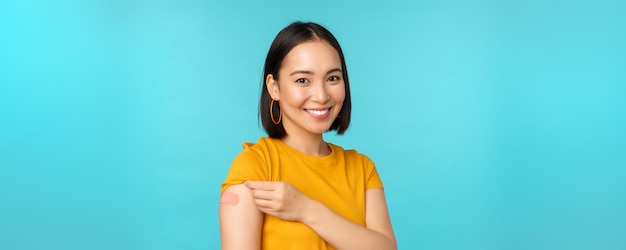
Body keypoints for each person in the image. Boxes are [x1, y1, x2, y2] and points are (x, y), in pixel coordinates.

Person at [219, 21, 397, 250]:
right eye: (303, 80)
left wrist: (307, 210)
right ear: (274, 87)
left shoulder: (362, 169)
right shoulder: (255, 167)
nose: (321, 96)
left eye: (333, 78)